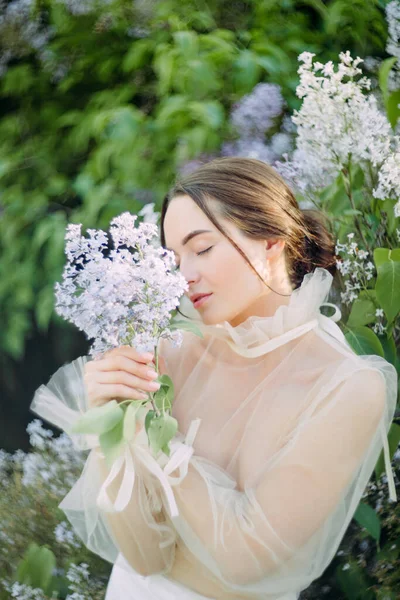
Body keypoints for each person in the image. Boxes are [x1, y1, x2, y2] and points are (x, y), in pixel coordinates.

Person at [30, 158, 398, 600]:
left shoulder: (348, 387)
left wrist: (159, 444)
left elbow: (245, 560)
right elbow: (145, 558)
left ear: (272, 240)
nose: (183, 277)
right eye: (173, 259)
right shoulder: (171, 354)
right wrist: (113, 425)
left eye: (202, 249)